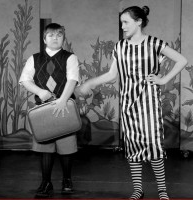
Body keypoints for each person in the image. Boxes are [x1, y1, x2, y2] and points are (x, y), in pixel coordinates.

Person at [76, 6, 187, 200]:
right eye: (121, 22)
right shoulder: (120, 47)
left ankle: (162, 191)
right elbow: (112, 75)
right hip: (128, 103)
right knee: (133, 146)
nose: (123, 26)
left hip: (149, 103)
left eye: (126, 22)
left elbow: (181, 60)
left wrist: (162, 80)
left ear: (139, 22)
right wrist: (91, 82)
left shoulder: (154, 43)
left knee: (153, 146)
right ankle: (138, 190)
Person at [19, 23, 79, 198]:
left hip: (65, 107)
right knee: (45, 146)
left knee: (66, 147)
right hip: (43, 109)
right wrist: (40, 92)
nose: (55, 38)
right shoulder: (34, 58)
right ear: (44, 38)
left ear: (63, 38)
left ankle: (67, 180)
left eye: (59, 35)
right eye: (51, 35)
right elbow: (25, 80)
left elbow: (72, 80)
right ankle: (46, 182)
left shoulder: (70, 57)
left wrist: (62, 101)